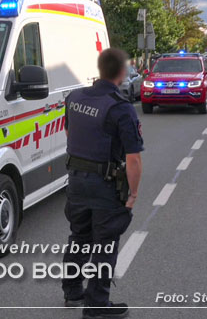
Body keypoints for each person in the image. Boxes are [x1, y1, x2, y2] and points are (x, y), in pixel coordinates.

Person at [62, 48, 144, 318]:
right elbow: (133, 159)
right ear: (122, 72)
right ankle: (96, 306)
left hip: (75, 182)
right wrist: (132, 195)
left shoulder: (74, 97)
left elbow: (70, 130)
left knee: (80, 238)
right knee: (105, 245)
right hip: (105, 185)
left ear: (100, 69)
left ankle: (73, 291)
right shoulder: (120, 108)